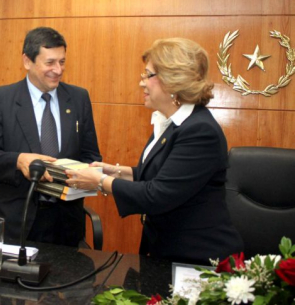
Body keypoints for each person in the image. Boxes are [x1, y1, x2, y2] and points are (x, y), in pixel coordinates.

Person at [66, 38, 243, 264]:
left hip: (198, 258)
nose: (142, 84)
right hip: (165, 248)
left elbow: (157, 194)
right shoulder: (170, 121)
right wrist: (114, 172)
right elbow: (161, 174)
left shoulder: (199, 131)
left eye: (147, 76)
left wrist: (100, 182)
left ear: (172, 80)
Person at [0, 27, 102, 247]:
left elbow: (91, 154)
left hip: (66, 224)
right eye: (50, 62)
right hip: (17, 221)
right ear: (27, 61)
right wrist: (18, 160)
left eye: (62, 62)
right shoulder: (0, 99)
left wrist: (85, 174)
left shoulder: (79, 98)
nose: (58, 70)